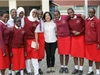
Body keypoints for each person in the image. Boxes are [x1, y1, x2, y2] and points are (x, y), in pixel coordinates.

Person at [67, 8, 85, 75]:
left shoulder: (80, 18)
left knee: (81, 54)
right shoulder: (68, 21)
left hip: (81, 37)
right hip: (74, 38)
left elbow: (84, 27)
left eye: (71, 12)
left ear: (74, 12)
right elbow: (69, 29)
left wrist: (79, 32)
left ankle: (81, 69)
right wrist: (72, 31)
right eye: (69, 13)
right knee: (75, 54)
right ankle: (76, 68)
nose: (70, 14)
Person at [24, 9, 39, 75]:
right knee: (27, 57)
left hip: (33, 40)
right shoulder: (25, 19)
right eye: (33, 12)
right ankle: (29, 71)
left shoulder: (37, 22)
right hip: (25, 41)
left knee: (34, 57)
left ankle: (36, 72)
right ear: (31, 12)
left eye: (36, 13)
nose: (34, 13)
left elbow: (36, 33)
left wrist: (36, 43)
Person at [85, 8, 100, 75]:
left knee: (97, 58)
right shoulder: (86, 20)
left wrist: (99, 43)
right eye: (89, 12)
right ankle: (90, 70)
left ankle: (97, 72)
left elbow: (99, 32)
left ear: (94, 13)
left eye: (92, 12)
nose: (90, 13)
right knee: (89, 57)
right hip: (88, 42)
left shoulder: (97, 21)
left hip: (95, 43)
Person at [0, 11, 10, 75]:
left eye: (7, 17)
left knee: (4, 65)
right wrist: (3, 50)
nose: (6, 18)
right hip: (1, 47)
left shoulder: (4, 24)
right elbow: (0, 38)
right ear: (0, 17)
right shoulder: (0, 25)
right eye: (4, 17)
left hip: (5, 46)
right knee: (2, 65)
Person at [35, 9, 44, 74]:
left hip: (42, 38)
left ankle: (39, 67)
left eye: (41, 14)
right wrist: (36, 41)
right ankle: (37, 68)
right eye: (38, 14)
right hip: (36, 37)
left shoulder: (43, 21)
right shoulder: (34, 21)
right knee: (36, 54)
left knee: (40, 54)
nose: (39, 15)